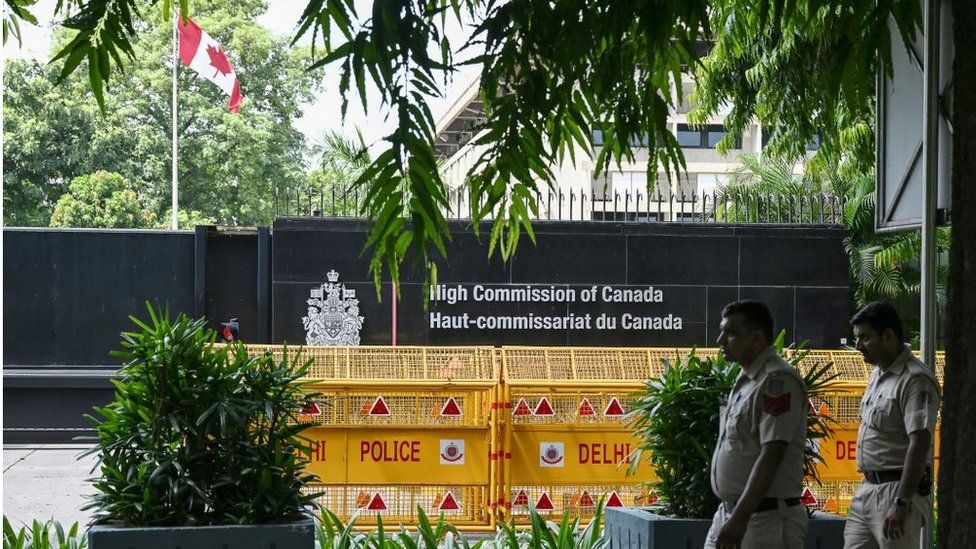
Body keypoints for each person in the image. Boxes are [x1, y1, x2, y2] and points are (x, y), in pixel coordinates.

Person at [705, 300, 808, 549]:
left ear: (757, 338)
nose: (720, 340)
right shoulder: (747, 378)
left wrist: (740, 519)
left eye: (731, 333)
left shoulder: (777, 381)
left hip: (763, 520)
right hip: (732, 514)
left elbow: (772, 452)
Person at [844, 301, 940, 549]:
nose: (858, 346)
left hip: (896, 491)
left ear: (887, 336)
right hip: (867, 488)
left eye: (865, 338)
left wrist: (901, 501)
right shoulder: (878, 373)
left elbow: (919, 442)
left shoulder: (914, 379)